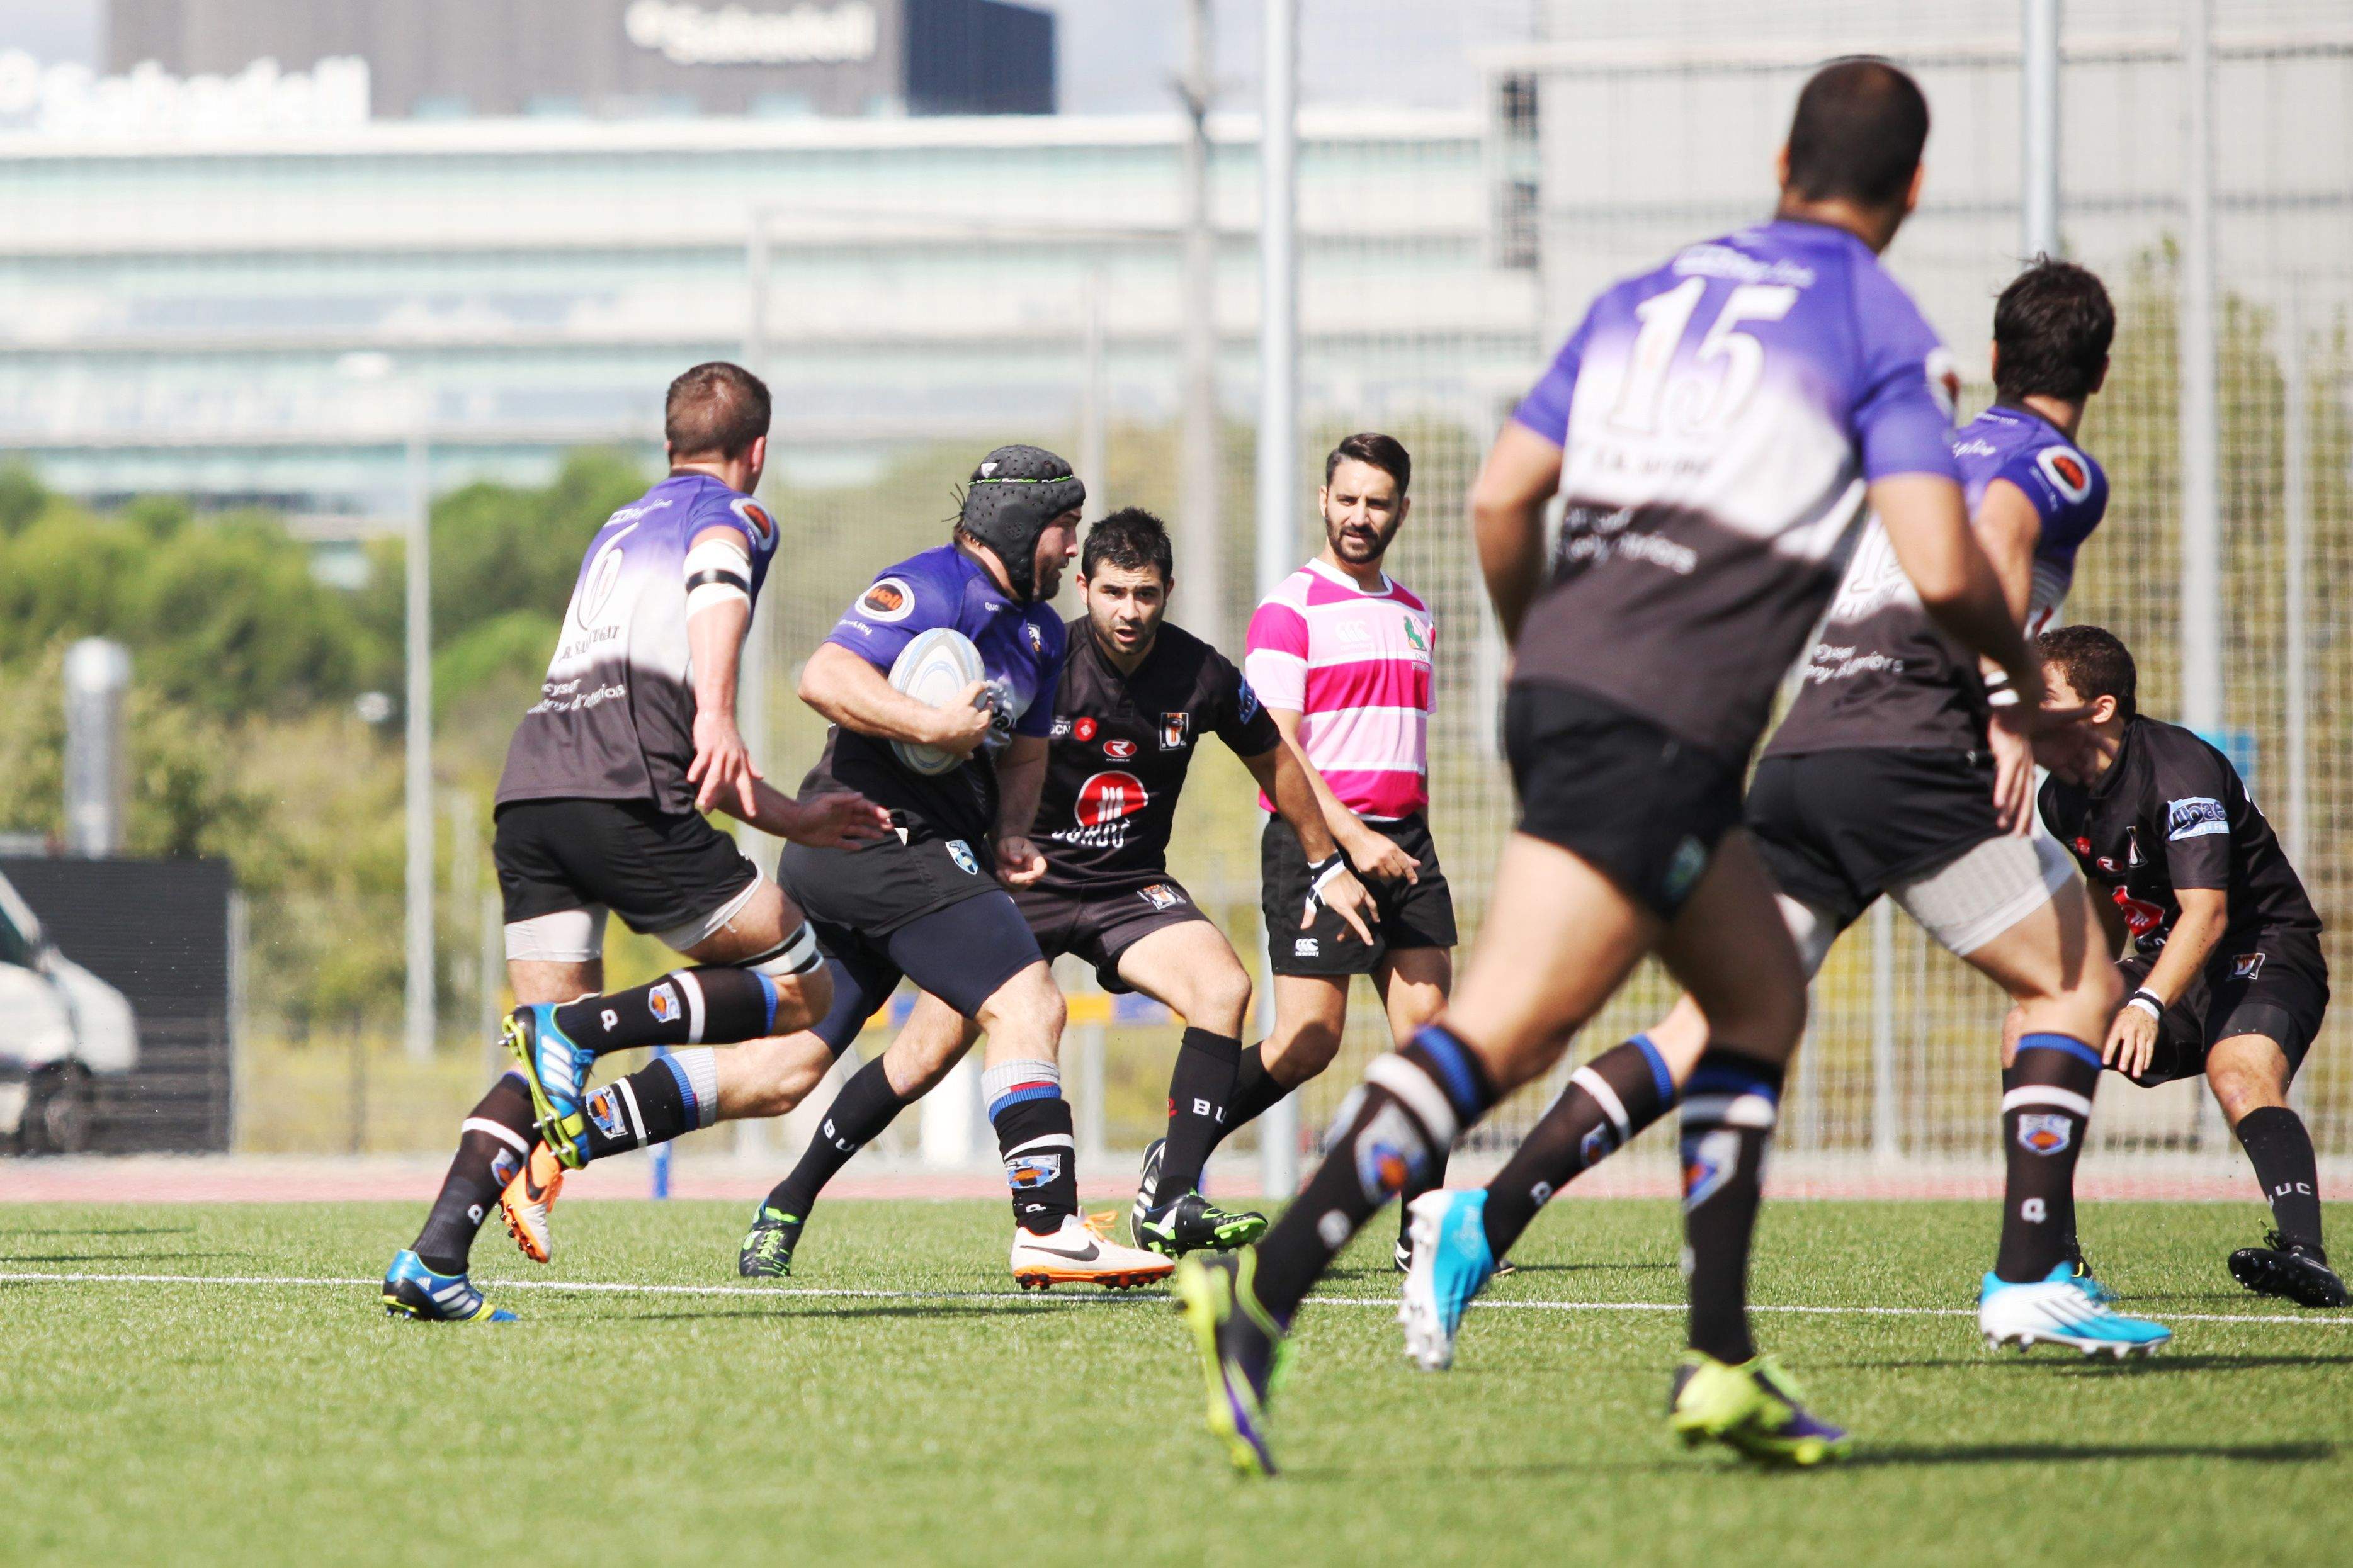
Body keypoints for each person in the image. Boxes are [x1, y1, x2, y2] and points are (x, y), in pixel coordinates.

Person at [1172, 58, 2054, 1475]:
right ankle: (1258, 1300)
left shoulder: (1641, 295)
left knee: (1753, 995)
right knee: (1503, 1033)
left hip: (1588, 690)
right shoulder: (1875, 319)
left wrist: (1544, 652)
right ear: (1909, 190)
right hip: (1661, 715)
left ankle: (1714, 1361)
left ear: (1779, 163)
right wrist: (2015, 682)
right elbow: (1944, 561)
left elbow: (1499, 494)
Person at [1399, 258, 2172, 1367]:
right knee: (2076, 980)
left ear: (1997, 358)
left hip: (1805, 747)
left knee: (1706, 1023)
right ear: (2097, 368)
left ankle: (1483, 1214)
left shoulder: (1923, 451)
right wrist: (2006, 706)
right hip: (1905, 752)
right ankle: (2033, 1271)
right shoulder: (2053, 463)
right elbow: (2001, 541)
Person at [496, 446, 1169, 1289]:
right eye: (1065, 529)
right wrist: (929, 724)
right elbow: (825, 673)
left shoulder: (1035, 631)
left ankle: (567, 1139)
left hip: (887, 859)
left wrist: (1011, 832)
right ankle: (1048, 1224)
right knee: (1026, 1000)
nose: (1072, 549)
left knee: (786, 1070)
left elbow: (1026, 754)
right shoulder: (934, 584)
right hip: (883, 839)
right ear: (1023, 522)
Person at [645, 505, 1376, 1275]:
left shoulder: (1203, 676)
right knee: (922, 1056)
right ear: (1084, 586)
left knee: (1223, 986)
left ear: (1169, 593)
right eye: (1114, 592)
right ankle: (788, 1199)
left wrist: (1327, 863)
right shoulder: (1038, 657)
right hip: (1018, 883)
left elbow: (1276, 761)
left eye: (1148, 594)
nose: (1129, 611)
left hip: (1126, 886)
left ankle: (1170, 1195)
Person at [383, 361, 892, 1324]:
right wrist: (717, 707)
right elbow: (714, 571)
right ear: (758, 451)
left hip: (531, 796)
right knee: (805, 986)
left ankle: (434, 1252)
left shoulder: (616, 524)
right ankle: (579, 1033)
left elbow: (700, 758)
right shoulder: (738, 515)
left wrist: (795, 818)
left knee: (539, 1067)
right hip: (624, 800)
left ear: (667, 447)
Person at [1206, 432, 1462, 1270]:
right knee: (1309, 1039)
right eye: (1346, 499)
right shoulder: (1290, 607)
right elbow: (1277, 746)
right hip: (1316, 840)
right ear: (1324, 500)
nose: (1359, 515)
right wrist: (1345, 839)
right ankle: (1179, 1150)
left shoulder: (1417, 612)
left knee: (1430, 1037)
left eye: (1376, 502)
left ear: (1402, 511)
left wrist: (1394, 836)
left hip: (1406, 843)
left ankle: (1420, 1227)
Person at [2030, 625, 2343, 1307]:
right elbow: (2106, 889)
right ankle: (2050, 1263)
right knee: (2034, 1024)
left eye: (2040, 692)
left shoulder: (2177, 773)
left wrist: (2143, 1004)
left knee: (2237, 1069)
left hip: (2264, 948)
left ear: (2099, 709)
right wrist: (2085, 982)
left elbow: (2206, 915)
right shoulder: (2058, 796)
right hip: (2165, 960)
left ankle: (2304, 1257)